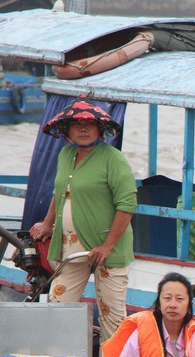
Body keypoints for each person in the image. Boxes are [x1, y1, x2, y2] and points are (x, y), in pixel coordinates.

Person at [29, 98, 138, 342]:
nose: (83, 129)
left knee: (112, 314)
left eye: (89, 124)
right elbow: (61, 191)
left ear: (100, 129)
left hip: (109, 250)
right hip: (71, 248)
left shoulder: (113, 159)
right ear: (66, 130)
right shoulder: (65, 155)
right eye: (76, 124)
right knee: (58, 302)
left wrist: (107, 246)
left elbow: (127, 205)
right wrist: (47, 224)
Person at [101, 272, 194, 357]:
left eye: (180, 299)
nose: (173, 304)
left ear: (189, 306)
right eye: (167, 298)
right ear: (159, 304)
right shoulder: (141, 333)